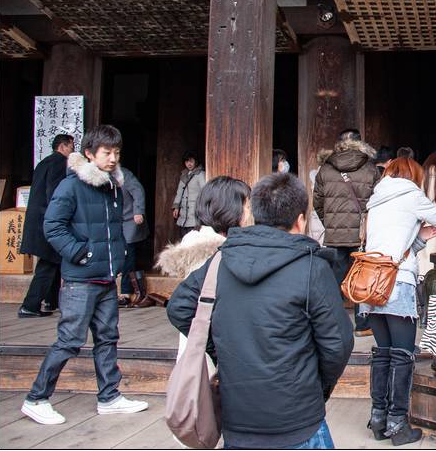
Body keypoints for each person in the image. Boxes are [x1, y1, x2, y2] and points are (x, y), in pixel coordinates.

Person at [167, 173, 354, 450]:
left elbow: (179, 307)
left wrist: (221, 351)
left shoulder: (221, 260)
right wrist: (315, 386)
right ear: (300, 220)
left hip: (238, 417)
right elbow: (338, 344)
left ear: (255, 213)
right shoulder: (312, 268)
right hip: (297, 418)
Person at [21, 125, 148, 425]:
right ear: (89, 154)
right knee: (69, 340)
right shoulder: (72, 185)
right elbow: (53, 226)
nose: (113, 158)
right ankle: (37, 397)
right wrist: (82, 254)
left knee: (107, 338)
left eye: (117, 152)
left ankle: (109, 396)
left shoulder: (112, 186)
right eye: (107, 152)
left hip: (106, 277)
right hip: (81, 279)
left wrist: (113, 263)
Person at [361, 157, 436, 445]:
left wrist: (420, 238)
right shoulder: (410, 193)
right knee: (403, 355)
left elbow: (392, 244)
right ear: (412, 175)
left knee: (384, 352)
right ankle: (398, 424)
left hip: (372, 285)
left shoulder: (376, 198)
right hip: (397, 284)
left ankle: (379, 419)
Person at [157, 175, 251, 372]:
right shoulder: (214, 253)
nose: (250, 212)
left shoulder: (197, 241)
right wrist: (216, 351)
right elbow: (181, 309)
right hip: (209, 358)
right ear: (231, 208)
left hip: (200, 350)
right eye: (247, 205)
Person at [313, 128, 380, 336]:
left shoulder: (325, 169)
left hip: (334, 236)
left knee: (333, 280)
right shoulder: (370, 169)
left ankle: (331, 325)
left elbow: (317, 203)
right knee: (361, 277)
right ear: (361, 143)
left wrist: (331, 223)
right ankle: (362, 325)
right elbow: (378, 202)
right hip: (361, 235)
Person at [19, 133, 75, 318]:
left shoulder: (43, 162)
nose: (73, 149)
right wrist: (63, 216)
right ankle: (30, 305)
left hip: (37, 220)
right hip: (48, 220)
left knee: (53, 260)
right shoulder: (60, 162)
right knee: (48, 263)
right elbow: (54, 193)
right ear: (63, 146)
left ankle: (52, 301)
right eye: (71, 146)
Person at [117, 165, 152, 308]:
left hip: (130, 220)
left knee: (128, 254)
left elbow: (138, 191)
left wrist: (138, 211)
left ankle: (126, 292)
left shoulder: (124, 174)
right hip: (115, 221)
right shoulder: (98, 175)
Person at [172, 151, 205, 239]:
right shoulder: (184, 175)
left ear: (196, 161)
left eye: (191, 161)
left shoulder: (200, 175)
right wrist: (176, 206)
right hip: (183, 213)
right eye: (186, 162)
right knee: (183, 237)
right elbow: (179, 192)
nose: (189, 164)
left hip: (194, 211)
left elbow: (205, 192)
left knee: (192, 238)